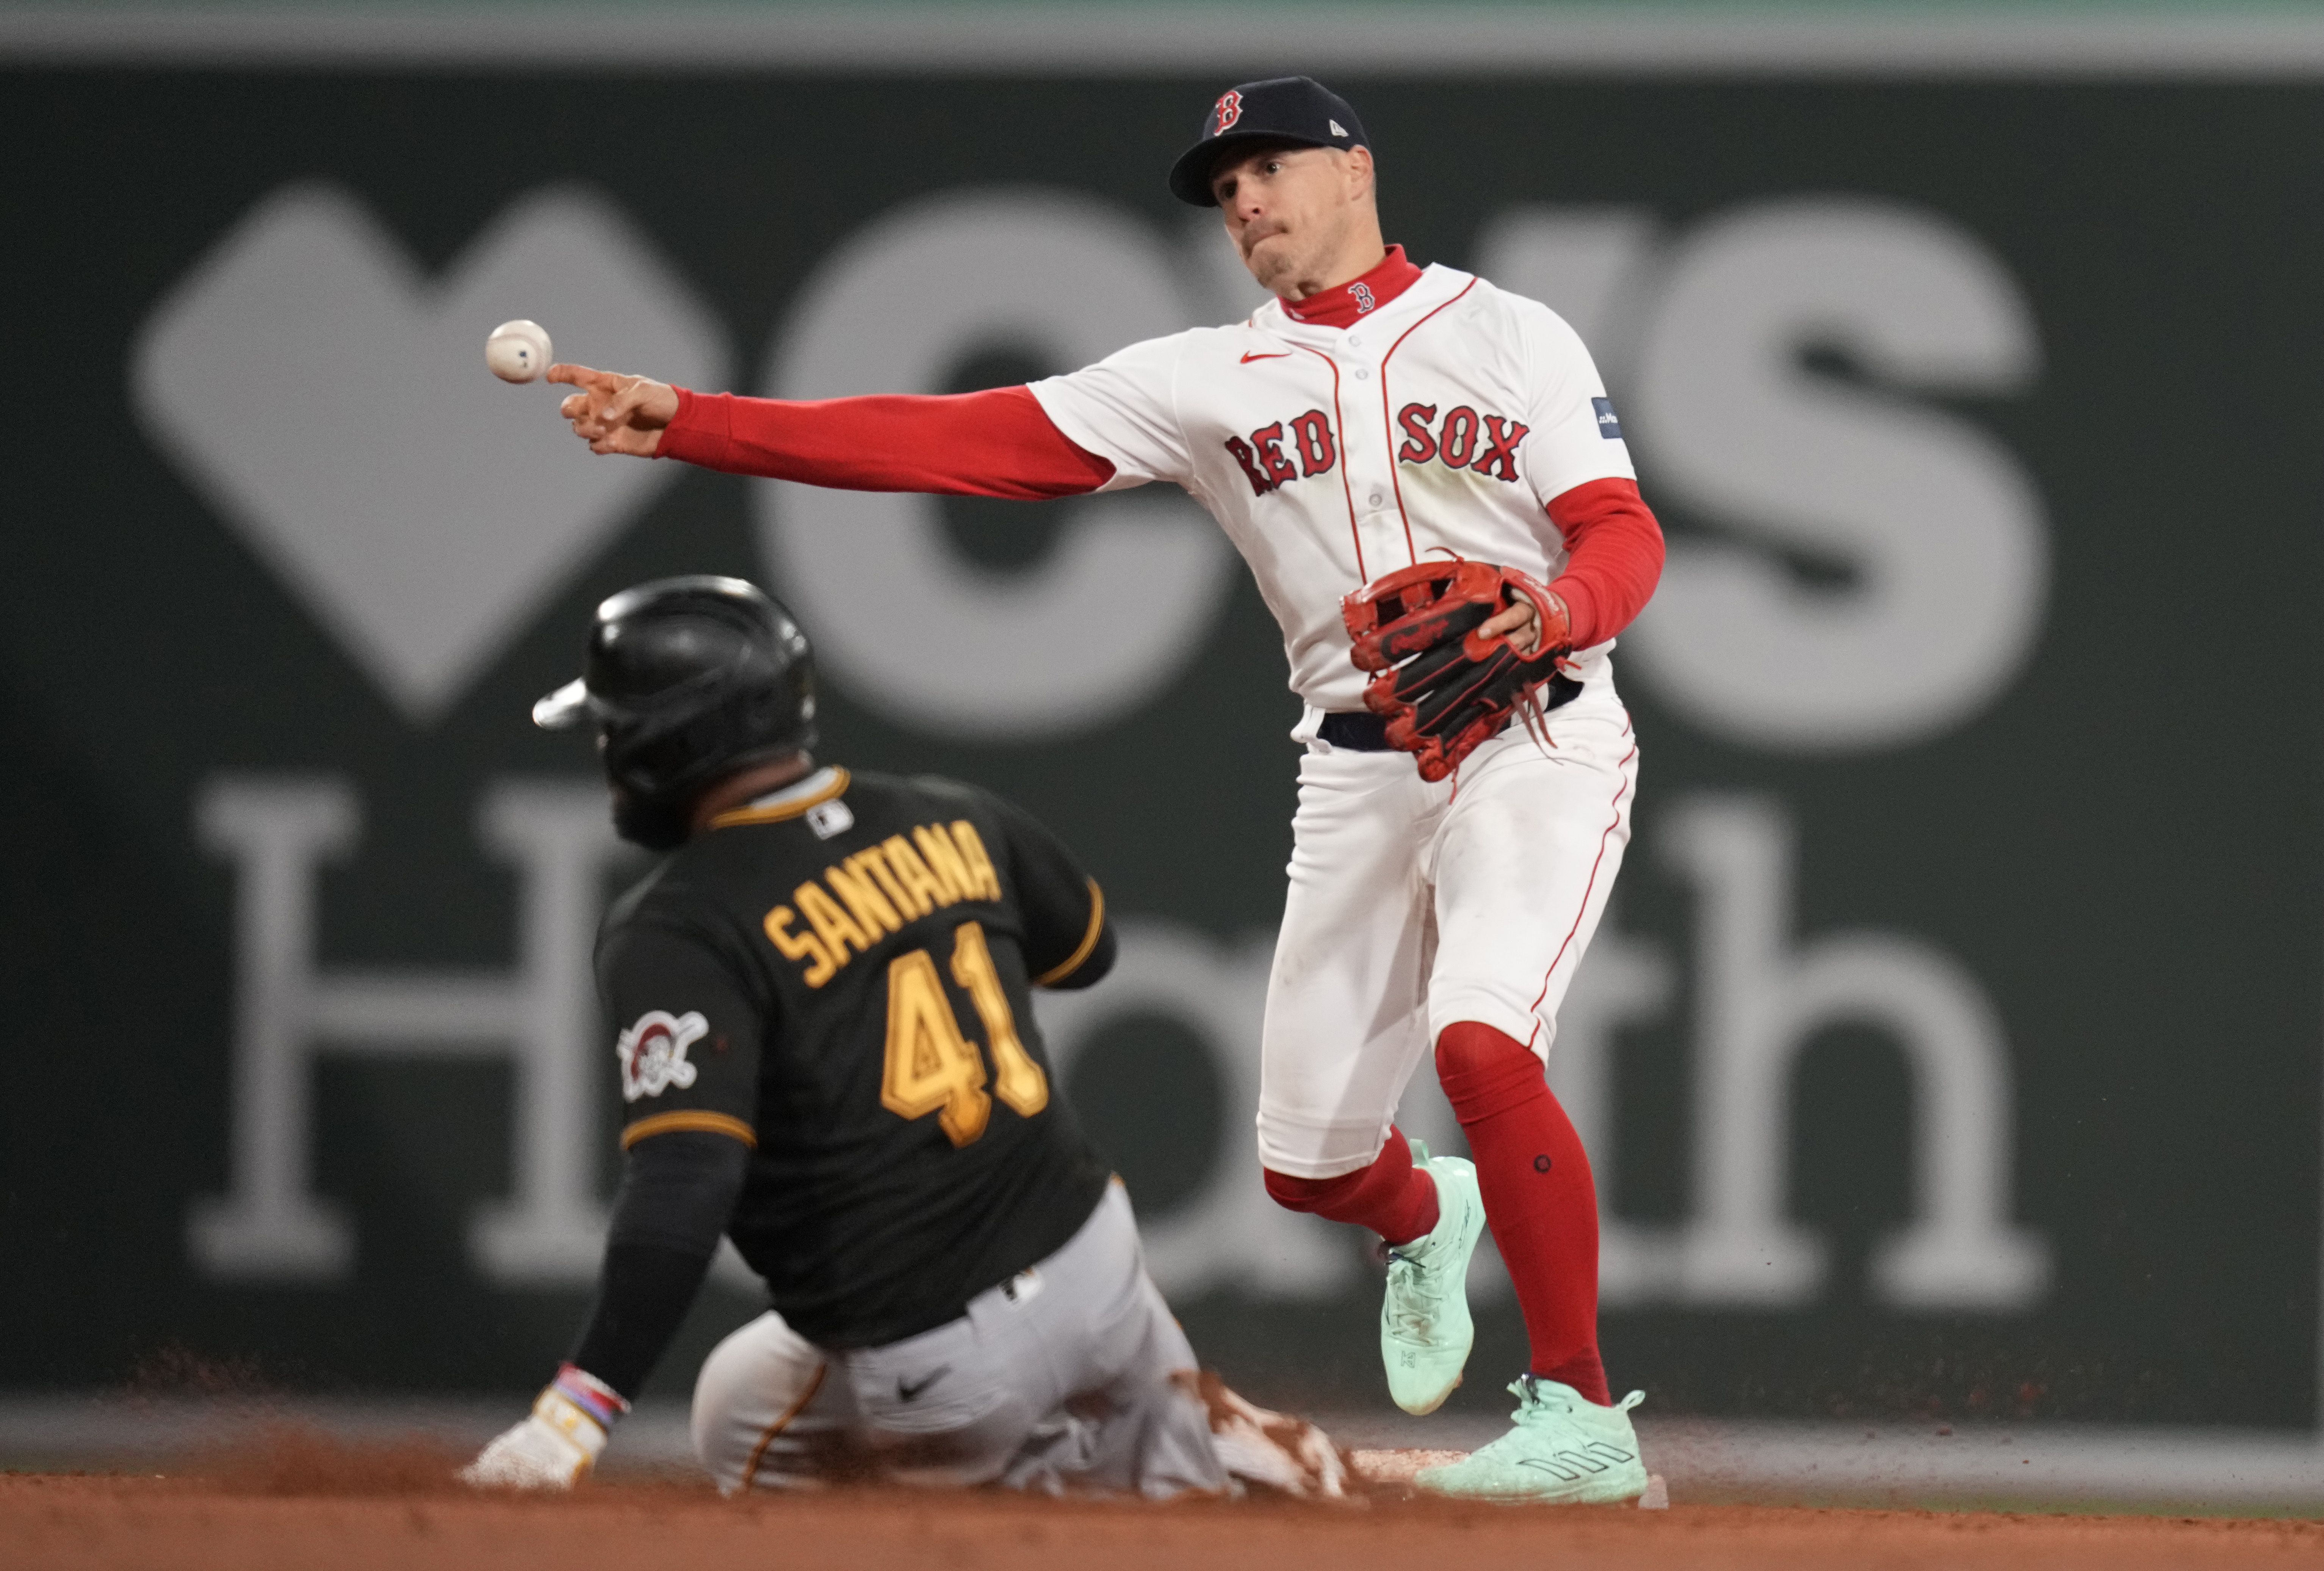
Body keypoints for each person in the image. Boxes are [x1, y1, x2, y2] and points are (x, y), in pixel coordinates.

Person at [545, 76, 1666, 1504]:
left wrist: (1561, 612)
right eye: (1221, 188)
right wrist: (693, 421)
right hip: (1356, 763)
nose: (1241, 201)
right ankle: (1421, 1217)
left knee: (1482, 1050)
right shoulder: (1206, 378)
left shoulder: (1507, 331)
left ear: (1352, 168)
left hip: (1537, 733)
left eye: (1262, 168)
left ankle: (1580, 1422)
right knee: (1307, 1164)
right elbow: (958, 440)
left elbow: (1619, 532)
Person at [461, 574, 1349, 1500]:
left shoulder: (678, 923)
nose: (608, 750)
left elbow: (685, 1183)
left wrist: (576, 1411)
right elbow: (1087, 950)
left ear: (666, 741)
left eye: (615, 726)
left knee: (739, 1428)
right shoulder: (956, 814)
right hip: (1103, 1266)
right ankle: (1189, 1445)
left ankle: (1082, 1481)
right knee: (761, 1383)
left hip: (941, 1365)